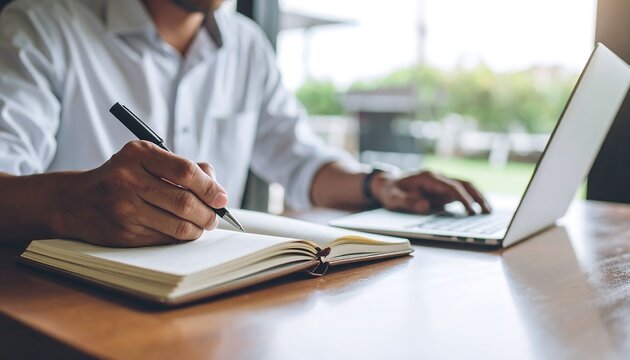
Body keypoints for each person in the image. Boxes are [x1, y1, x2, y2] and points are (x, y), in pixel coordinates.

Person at [0, 0, 490, 247]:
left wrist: (380, 185)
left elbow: (301, 161)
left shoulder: (247, 44)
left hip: (211, 300)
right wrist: (70, 202)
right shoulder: (41, 28)